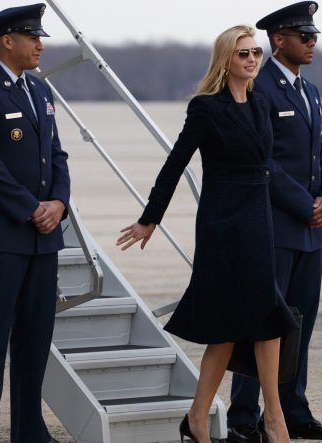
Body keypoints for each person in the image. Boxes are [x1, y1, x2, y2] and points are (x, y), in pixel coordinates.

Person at [118, 25, 298, 443]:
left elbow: (268, 166)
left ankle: (214, 417)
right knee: (242, 323)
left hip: (259, 220)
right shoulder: (206, 108)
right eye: (243, 54)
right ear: (226, 60)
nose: (252, 60)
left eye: (256, 53)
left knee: (259, 320)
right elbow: (175, 164)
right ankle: (266, 421)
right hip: (224, 226)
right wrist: (150, 219)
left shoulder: (260, 101)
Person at [226, 2, 322, 442]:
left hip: (310, 230)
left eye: (314, 36)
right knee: (262, 321)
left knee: (300, 323)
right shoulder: (260, 89)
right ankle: (243, 416)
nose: (312, 43)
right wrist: (304, 203)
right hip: (275, 225)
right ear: (279, 39)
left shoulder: (308, 91)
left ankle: (294, 412)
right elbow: (264, 160)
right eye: (304, 36)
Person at [0, 4, 69, 442]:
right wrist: (31, 208)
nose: (40, 44)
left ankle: (29, 431)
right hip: (2, 236)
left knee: (35, 340)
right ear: (7, 40)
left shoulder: (39, 91)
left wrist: (58, 202)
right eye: (32, 37)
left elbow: (56, 156)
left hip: (43, 238)